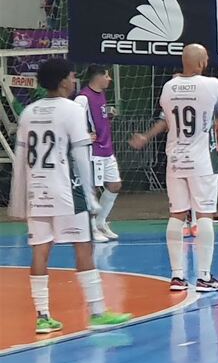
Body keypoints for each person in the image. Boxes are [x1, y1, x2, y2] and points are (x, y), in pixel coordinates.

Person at [8, 59, 132, 334]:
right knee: (83, 247)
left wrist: (18, 199)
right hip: (65, 189)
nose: (75, 80)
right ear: (64, 80)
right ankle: (98, 311)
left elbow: (20, 160)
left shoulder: (28, 112)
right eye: (73, 76)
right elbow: (81, 155)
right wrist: (89, 195)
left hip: (35, 190)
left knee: (40, 250)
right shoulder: (72, 109)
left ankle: (42, 316)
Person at [130, 44, 218, 292]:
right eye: (206, 58)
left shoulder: (168, 87)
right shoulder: (211, 85)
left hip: (175, 159)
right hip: (201, 160)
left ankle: (177, 276)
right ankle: (204, 276)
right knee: (205, 214)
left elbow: (166, 119)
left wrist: (145, 137)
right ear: (200, 63)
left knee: (177, 214)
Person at [74, 64, 121, 242]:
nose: (109, 79)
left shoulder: (101, 94)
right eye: (107, 76)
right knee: (91, 189)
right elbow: (74, 121)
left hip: (106, 149)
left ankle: (101, 222)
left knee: (115, 185)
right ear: (98, 76)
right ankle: (91, 227)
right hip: (92, 151)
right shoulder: (82, 98)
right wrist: (85, 135)